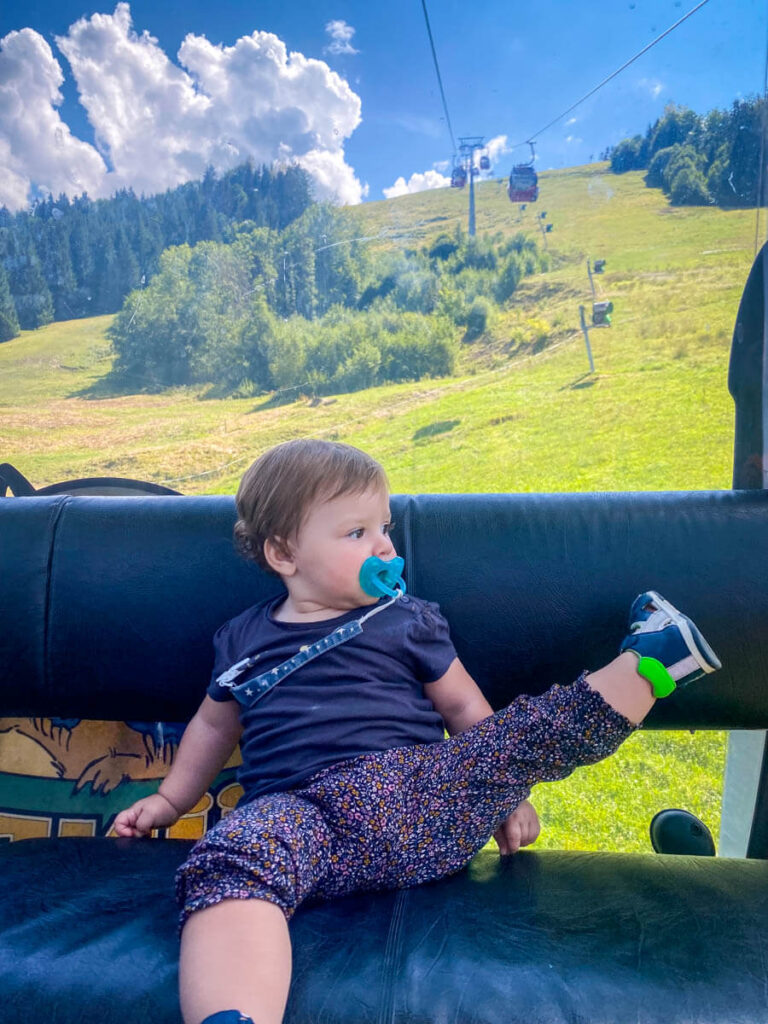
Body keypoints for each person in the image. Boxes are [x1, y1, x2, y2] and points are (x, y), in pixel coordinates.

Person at [114, 439, 722, 1024]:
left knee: (517, 737)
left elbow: (464, 709)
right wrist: (172, 800)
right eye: (357, 533)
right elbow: (213, 723)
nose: (382, 546)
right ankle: (233, 1014)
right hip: (300, 822)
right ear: (284, 554)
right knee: (229, 861)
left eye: (386, 528)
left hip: (414, 797)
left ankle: (649, 663)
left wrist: (508, 790)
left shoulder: (404, 620)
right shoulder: (241, 639)